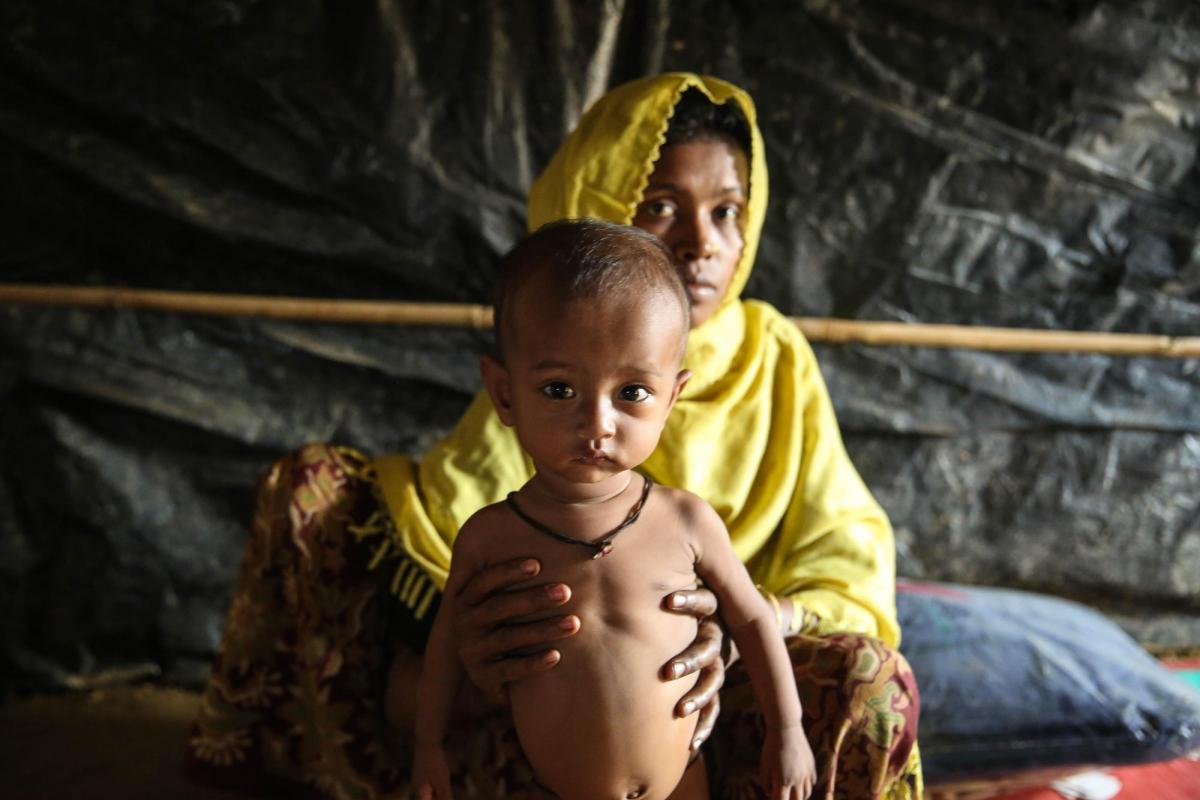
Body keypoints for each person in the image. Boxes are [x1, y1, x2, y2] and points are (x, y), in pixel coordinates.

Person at [187, 72, 922, 799]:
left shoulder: (774, 358)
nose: (702, 243)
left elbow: (841, 556)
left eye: (728, 211)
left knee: (877, 676)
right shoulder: (516, 452)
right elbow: (436, 653)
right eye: (661, 206)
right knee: (313, 490)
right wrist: (477, 665)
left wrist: (742, 626)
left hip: (711, 705)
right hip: (551, 716)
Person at [412, 219, 815, 800]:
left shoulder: (686, 522)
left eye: (632, 393)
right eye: (558, 390)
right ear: (504, 394)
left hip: (683, 786)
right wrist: (429, 748)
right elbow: (445, 647)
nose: (598, 424)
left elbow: (752, 621)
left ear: (671, 398)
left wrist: (789, 731)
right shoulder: (489, 537)